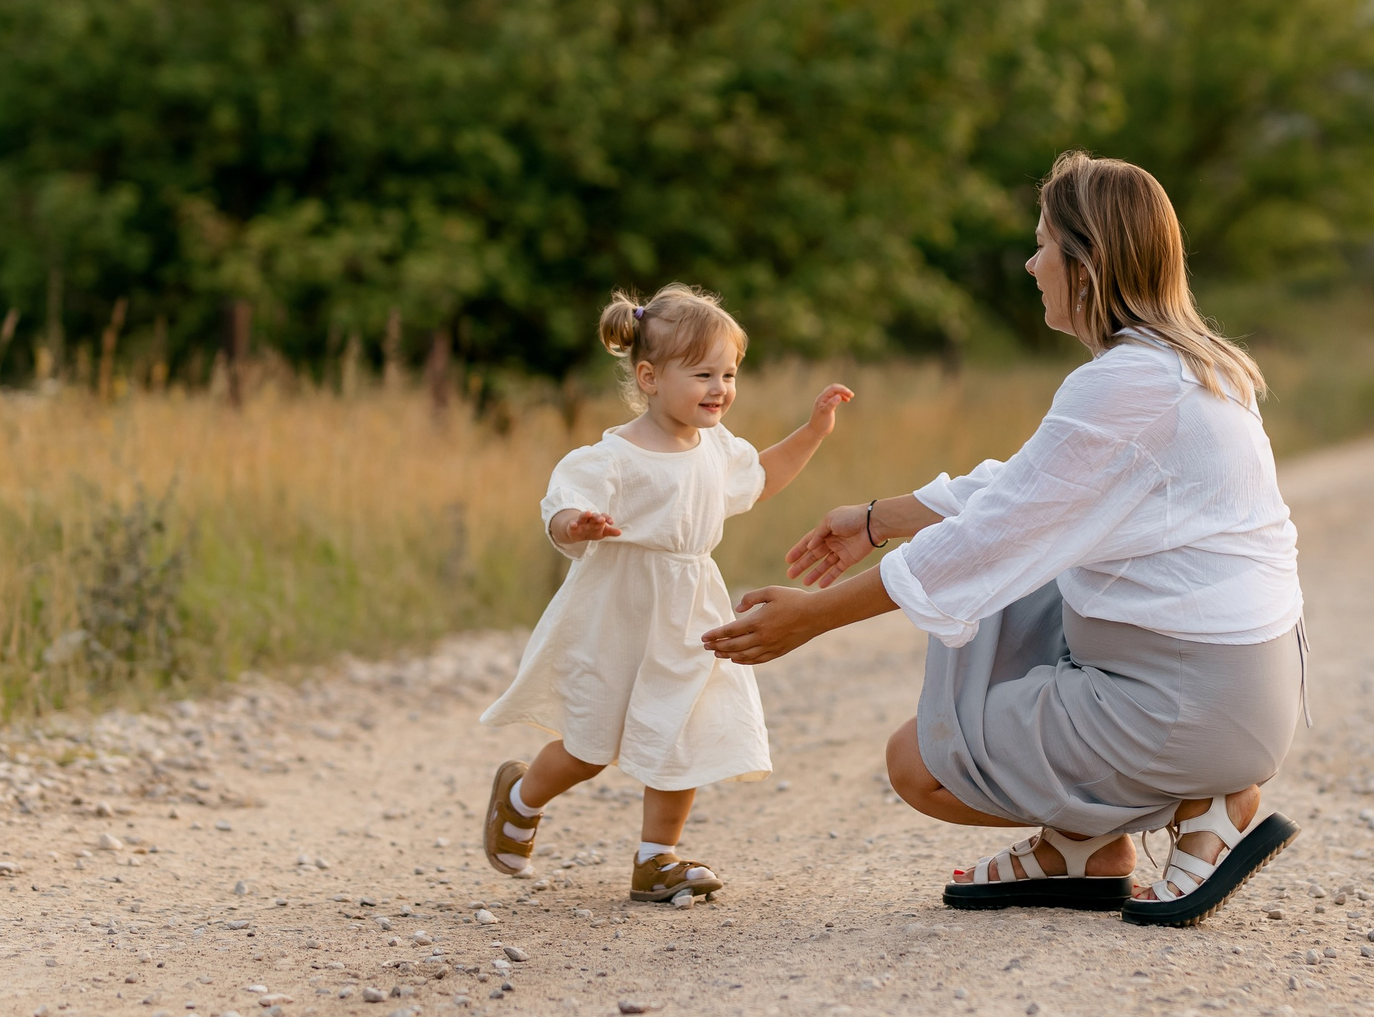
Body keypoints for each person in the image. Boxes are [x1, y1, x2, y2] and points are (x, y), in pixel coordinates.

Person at [704, 152, 1305, 926]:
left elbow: (994, 532)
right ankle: (1086, 848)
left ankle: (1199, 799)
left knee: (919, 765)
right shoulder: (1191, 366)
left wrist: (810, 618)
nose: (1031, 263)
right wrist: (881, 516)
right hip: (1237, 688)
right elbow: (1025, 486)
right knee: (1018, 559)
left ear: (1084, 265)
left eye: (1043, 244)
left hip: (1191, 703)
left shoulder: (1127, 382)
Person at [478, 284, 853, 904]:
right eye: (702, 373)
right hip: (617, 610)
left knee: (686, 730)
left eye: (729, 374)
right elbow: (564, 502)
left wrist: (812, 432)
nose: (720, 388)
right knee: (590, 745)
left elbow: (760, 479)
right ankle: (519, 798)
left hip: (688, 606)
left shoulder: (717, 450)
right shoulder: (614, 456)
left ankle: (657, 859)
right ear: (649, 377)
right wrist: (577, 523)